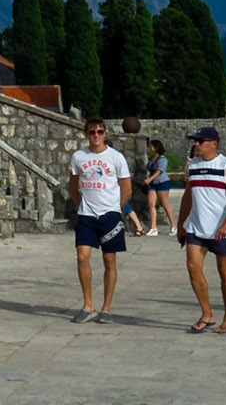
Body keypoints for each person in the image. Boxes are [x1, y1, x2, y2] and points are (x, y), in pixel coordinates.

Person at [177, 125, 226, 334]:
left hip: (221, 229)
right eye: (195, 141)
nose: (196, 144)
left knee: (225, 273)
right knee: (192, 266)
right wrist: (180, 224)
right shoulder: (192, 166)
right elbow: (188, 196)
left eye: (200, 141)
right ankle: (207, 314)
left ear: (213, 144)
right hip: (197, 226)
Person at [68, 116, 131, 321]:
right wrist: (80, 206)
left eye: (100, 132)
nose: (96, 136)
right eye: (92, 132)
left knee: (109, 260)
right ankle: (88, 305)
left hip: (110, 214)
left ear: (105, 134)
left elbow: (126, 187)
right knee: (82, 256)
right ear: (86, 134)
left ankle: (106, 307)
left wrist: (116, 208)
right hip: (86, 214)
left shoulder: (116, 157)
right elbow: (73, 185)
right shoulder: (78, 157)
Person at [144, 138, 178, 235]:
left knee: (165, 204)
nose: (150, 147)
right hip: (153, 184)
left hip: (162, 182)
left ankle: (173, 226)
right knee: (151, 203)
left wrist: (149, 179)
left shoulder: (163, 159)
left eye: (151, 146)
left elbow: (160, 171)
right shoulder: (151, 159)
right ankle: (153, 227)